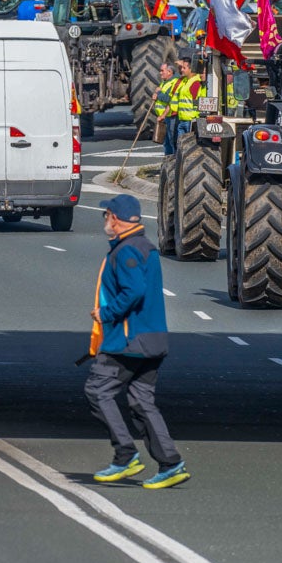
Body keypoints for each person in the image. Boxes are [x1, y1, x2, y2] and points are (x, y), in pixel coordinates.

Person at [85, 194, 189, 490]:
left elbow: (134, 291)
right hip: (153, 339)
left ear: (114, 219)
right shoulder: (145, 247)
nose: (105, 221)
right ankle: (170, 464)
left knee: (97, 389)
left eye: (106, 216)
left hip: (130, 341)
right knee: (141, 399)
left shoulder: (127, 251)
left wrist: (105, 313)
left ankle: (125, 455)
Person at [154, 61, 180, 154]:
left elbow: (168, 99)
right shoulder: (165, 82)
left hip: (170, 116)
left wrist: (158, 94)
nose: (160, 73)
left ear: (169, 72)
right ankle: (168, 161)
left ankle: (171, 161)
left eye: (162, 71)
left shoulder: (174, 82)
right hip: (165, 117)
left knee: (171, 140)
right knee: (167, 142)